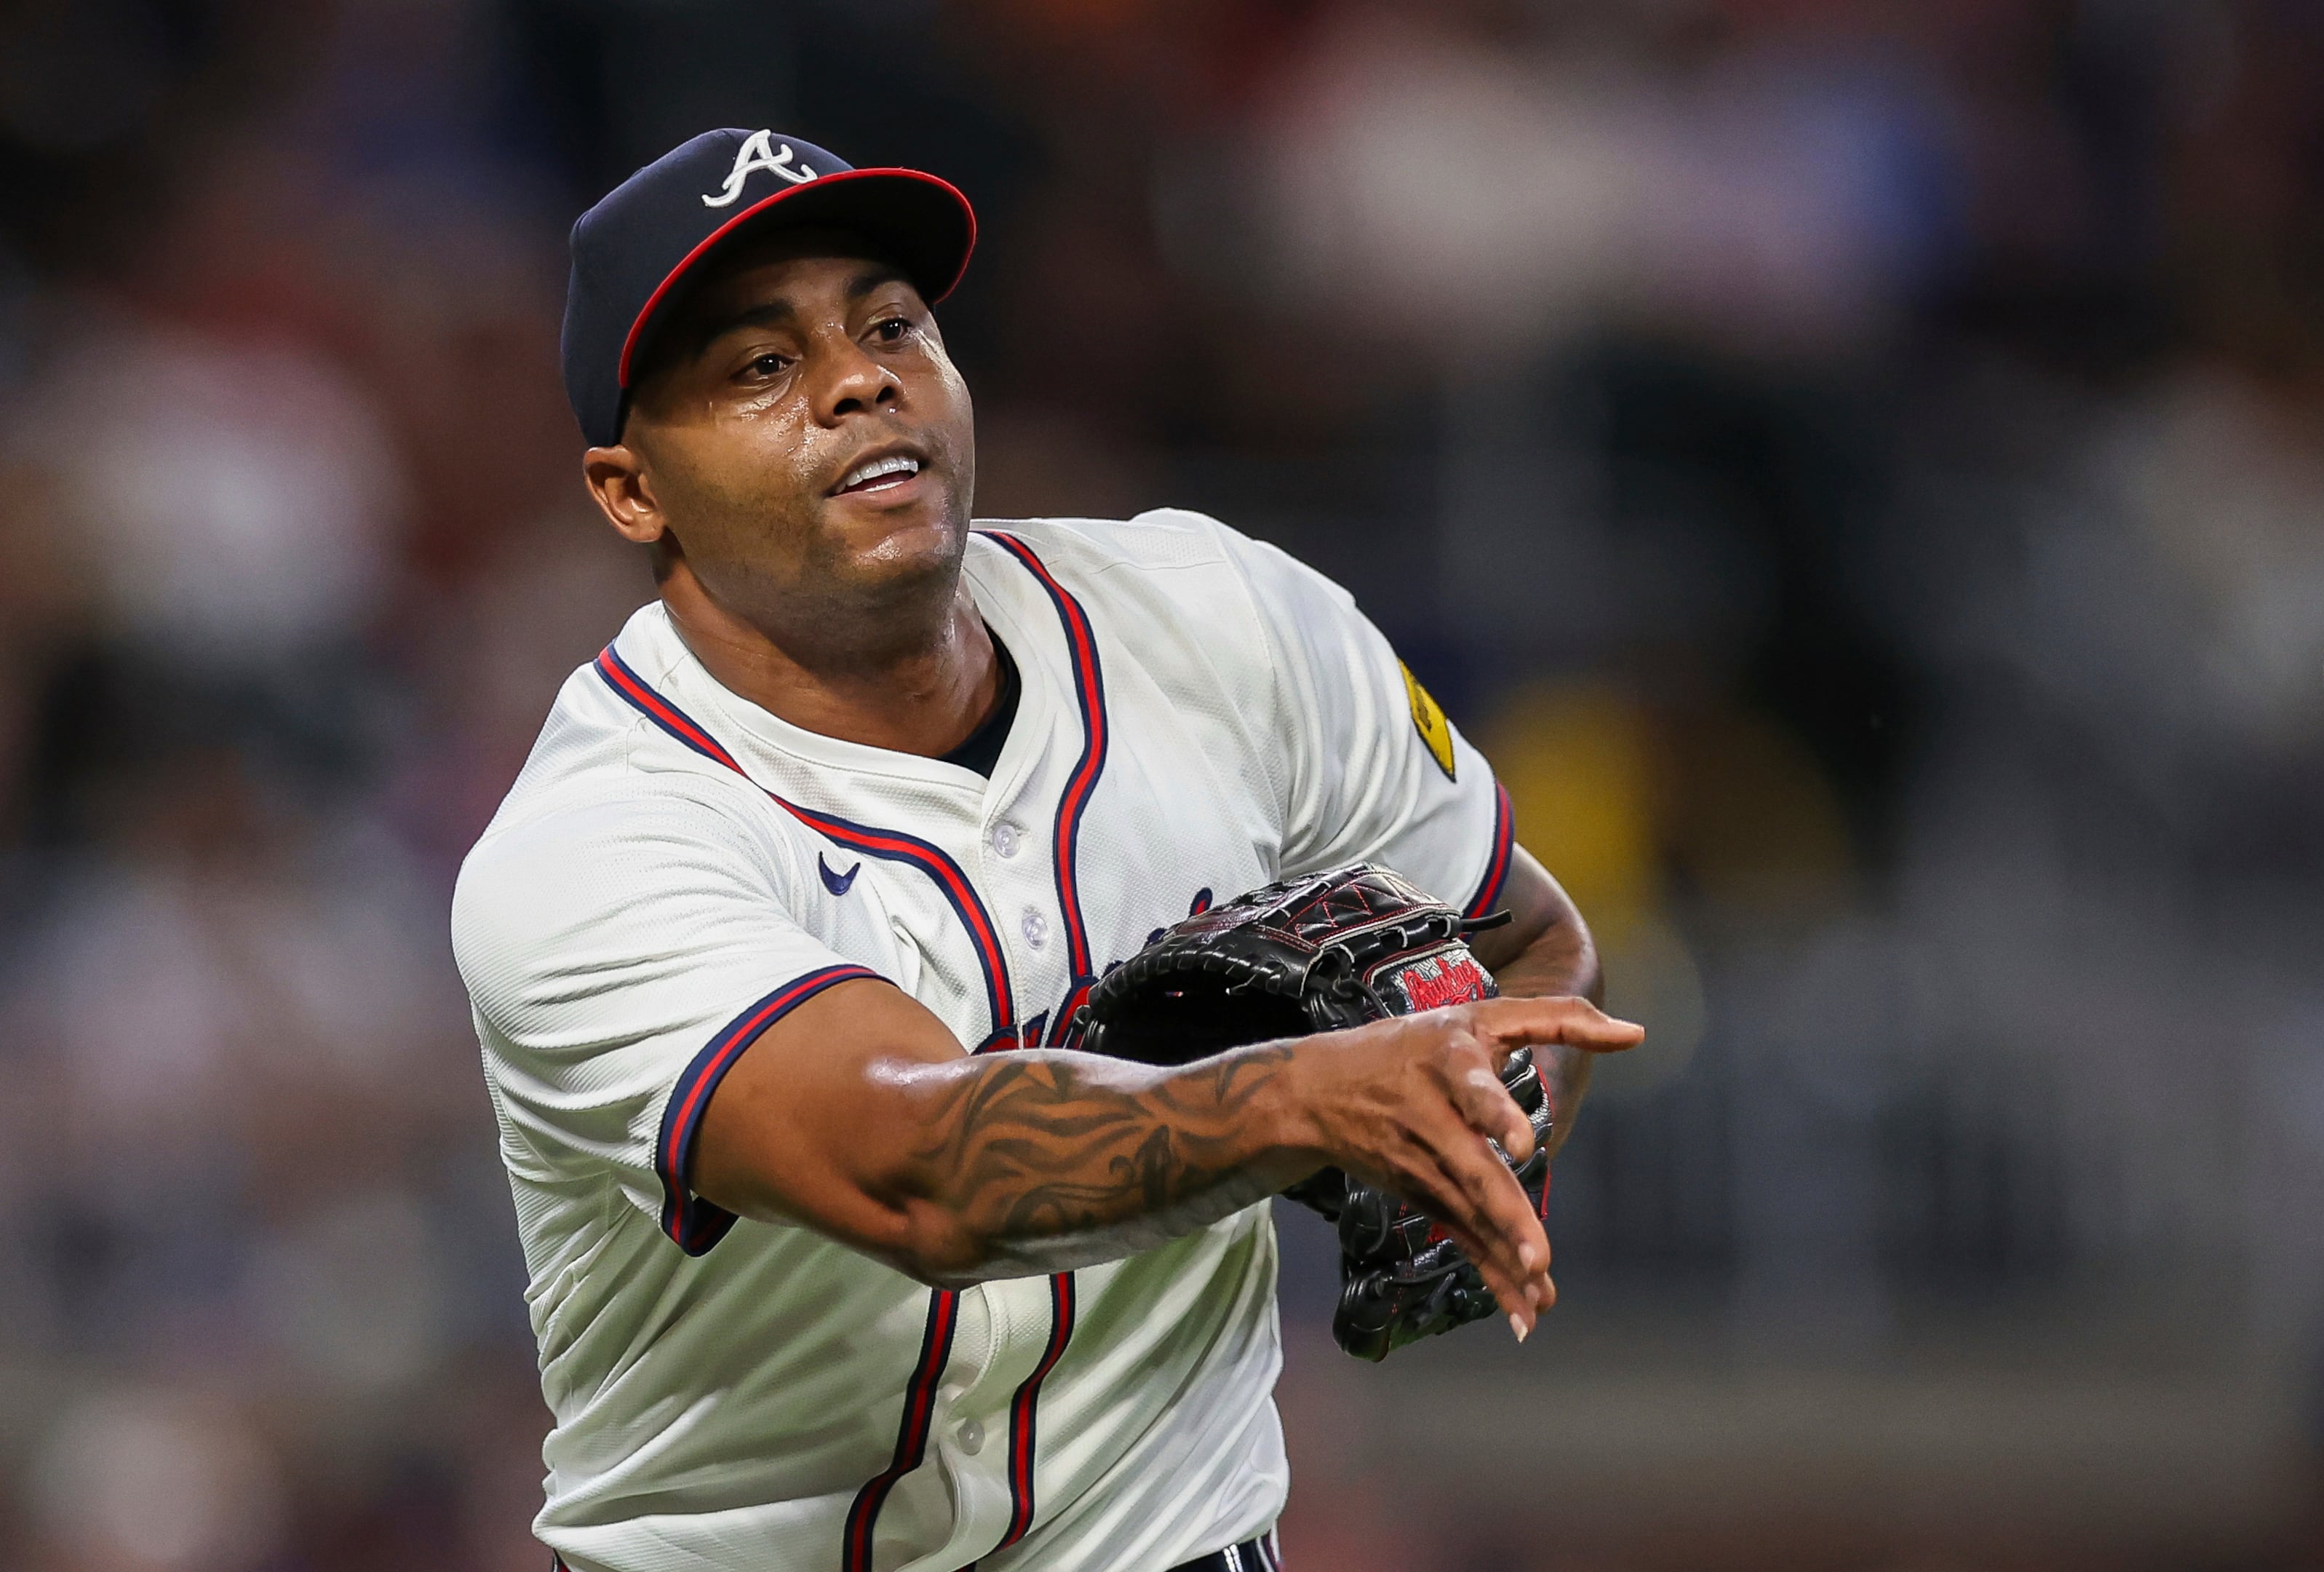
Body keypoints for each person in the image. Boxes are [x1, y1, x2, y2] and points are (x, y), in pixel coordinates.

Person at [449, 127, 1637, 1572]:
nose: (858, 380)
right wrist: (1293, 1098)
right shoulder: (594, 842)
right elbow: (921, 1172)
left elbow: (1526, 949)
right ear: (632, 490)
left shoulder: (1222, 621)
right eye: (760, 367)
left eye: (892, 325)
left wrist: (1483, 1106)